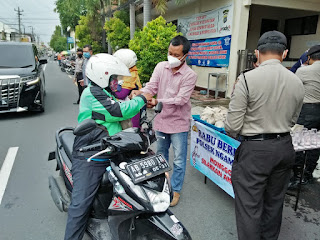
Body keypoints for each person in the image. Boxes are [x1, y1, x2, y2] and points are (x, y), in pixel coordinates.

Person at [64, 53, 154, 240]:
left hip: (112, 145)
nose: (117, 82)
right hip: (91, 150)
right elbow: (118, 111)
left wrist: (137, 101)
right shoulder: (92, 93)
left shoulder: (104, 92)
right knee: (80, 204)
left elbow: (120, 105)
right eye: (113, 78)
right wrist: (143, 98)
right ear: (102, 76)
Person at [225, 31, 304, 240]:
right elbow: (293, 120)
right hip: (284, 147)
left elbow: (232, 125)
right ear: (285, 53)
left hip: (255, 151)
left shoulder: (247, 79)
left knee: (249, 207)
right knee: (274, 203)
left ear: (257, 53)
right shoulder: (296, 81)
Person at [131, 35, 197, 207]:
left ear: (185, 56)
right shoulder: (161, 67)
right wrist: (141, 93)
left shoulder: (190, 75)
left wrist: (158, 102)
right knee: (161, 156)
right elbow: (152, 86)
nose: (171, 57)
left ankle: (175, 190)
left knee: (179, 160)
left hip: (178, 124)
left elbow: (181, 99)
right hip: (161, 121)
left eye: (176, 55)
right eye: (169, 53)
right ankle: (162, 185)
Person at [288, 45, 320, 189]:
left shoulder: (304, 71)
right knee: (316, 144)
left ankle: (297, 177)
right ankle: (308, 175)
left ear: (309, 57)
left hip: (307, 110)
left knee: (299, 143)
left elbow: (293, 88)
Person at [113, 49, 142, 127]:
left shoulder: (130, 74)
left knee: (130, 133)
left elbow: (122, 94)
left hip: (131, 111)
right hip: (126, 108)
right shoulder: (126, 72)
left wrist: (109, 92)